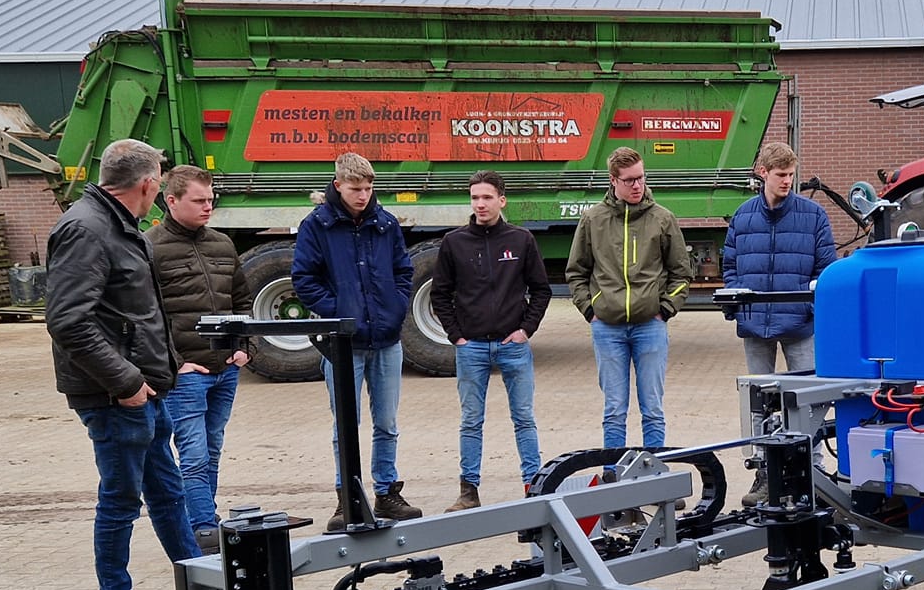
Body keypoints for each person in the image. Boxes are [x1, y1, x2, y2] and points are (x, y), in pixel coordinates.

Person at [45, 138, 200, 590]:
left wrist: (162, 371)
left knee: (168, 492)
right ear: (149, 184)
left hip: (144, 389)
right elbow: (68, 321)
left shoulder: (116, 225)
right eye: (159, 179)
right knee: (120, 501)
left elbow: (135, 314)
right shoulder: (87, 230)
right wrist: (127, 382)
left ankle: (206, 587)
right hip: (115, 397)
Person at [291, 152, 422, 529]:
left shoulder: (385, 223)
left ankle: (386, 493)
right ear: (338, 186)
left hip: (386, 338)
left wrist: (396, 306)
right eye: (355, 189)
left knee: (387, 421)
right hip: (342, 343)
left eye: (367, 188)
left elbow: (403, 269)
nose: (363, 195)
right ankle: (346, 496)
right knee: (345, 424)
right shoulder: (317, 225)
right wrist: (339, 313)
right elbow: (304, 278)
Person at [723, 143, 840, 502]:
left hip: (800, 324)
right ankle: (763, 474)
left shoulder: (813, 215)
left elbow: (827, 270)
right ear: (763, 174)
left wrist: (813, 311)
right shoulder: (743, 217)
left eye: (791, 174)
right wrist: (737, 307)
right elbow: (730, 265)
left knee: (809, 400)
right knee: (758, 401)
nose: (787, 181)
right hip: (756, 326)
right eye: (780, 175)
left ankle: (815, 474)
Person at [147, 164, 252, 554]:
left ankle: (204, 522)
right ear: (170, 200)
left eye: (211, 199)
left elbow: (241, 299)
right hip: (187, 372)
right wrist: (175, 364)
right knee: (192, 452)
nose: (208, 207)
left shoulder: (223, 245)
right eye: (199, 200)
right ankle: (204, 528)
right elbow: (148, 314)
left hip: (226, 368)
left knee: (211, 448)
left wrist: (244, 347)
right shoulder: (150, 246)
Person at [433, 170, 551, 510]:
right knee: (471, 420)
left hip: (513, 346)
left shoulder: (521, 240)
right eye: (474, 198)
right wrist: (456, 336)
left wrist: (526, 330)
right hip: (471, 349)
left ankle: (534, 484)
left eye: (487, 197)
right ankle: (468, 491)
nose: (480, 204)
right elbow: (440, 294)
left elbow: (541, 289)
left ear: (502, 199)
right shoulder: (454, 243)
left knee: (524, 419)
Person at [566, 147, 694, 451]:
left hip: (651, 326)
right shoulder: (592, 220)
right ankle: (615, 477)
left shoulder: (663, 219)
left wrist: (664, 310)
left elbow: (681, 273)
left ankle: (653, 475)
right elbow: (576, 272)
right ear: (614, 181)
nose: (638, 186)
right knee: (613, 410)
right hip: (606, 327)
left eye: (641, 178)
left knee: (652, 409)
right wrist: (590, 309)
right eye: (629, 180)